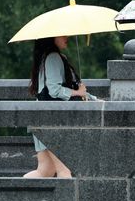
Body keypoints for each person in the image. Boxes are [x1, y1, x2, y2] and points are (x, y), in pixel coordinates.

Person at [23, 36, 98, 178]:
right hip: (51, 120)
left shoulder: (49, 57)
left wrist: (93, 98)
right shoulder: (53, 57)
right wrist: (79, 92)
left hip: (42, 117)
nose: (66, 37)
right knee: (64, 171)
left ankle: (18, 195)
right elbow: (54, 90)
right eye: (62, 34)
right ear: (51, 38)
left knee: (45, 171)